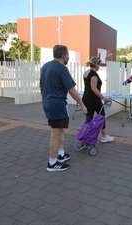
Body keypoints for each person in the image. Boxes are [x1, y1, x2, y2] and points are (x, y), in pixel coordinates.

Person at [40, 44, 87, 172]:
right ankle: (52, 163)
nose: (68, 58)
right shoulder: (61, 68)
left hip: (49, 104)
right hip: (57, 105)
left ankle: (61, 154)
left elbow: (42, 86)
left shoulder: (45, 66)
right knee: (55, 134)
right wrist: (82, 105)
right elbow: (72, 90)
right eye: (68, 55)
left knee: (60, 130)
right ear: (64, 56)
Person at [82, 56, 114, 143]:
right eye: (99, 64)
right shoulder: (94, 75)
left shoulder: (86, 72)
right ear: (96, 65)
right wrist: (103, 98)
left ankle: (85, 137)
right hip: (93, 100)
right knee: (101, 116)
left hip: (86, 98)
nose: (99, 66)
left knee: (89, 118)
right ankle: (104, 136)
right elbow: (94, 88)